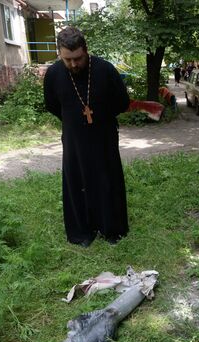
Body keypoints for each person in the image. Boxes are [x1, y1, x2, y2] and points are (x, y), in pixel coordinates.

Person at [43, 27, 130, 247]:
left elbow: (122, 102)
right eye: (67, 60)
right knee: (76, 181)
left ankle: (112, 229)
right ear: (59, 54)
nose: (73, 64)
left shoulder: (105, 70)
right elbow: (52, 105)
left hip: (104, 135)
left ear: (86, 51)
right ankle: (82, 232)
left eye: (78, 59)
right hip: (74, 139)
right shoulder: (53, 74)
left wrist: (101, 116)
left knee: (107, 179)